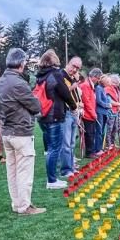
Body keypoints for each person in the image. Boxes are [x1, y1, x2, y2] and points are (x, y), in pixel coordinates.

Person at [0, 48, 44, 212]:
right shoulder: (18, 83)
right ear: (22, 63)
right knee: (24, 171)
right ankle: (24, 206)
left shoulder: (1, 81)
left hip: (7, 132)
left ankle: (17, 204)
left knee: (13, 171)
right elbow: (36, 105)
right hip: (20, 132)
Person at [36, 50, 79, 189]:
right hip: (54, 115)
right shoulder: (55, 74)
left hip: (44, 115)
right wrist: (73, 107)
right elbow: (65, 93)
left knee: (51, 149)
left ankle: (52, 178)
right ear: (54, 61)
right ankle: (52, 180)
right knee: (55, 149)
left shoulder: (40, 76)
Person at [79, 69, 99, 158]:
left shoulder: (90, 85)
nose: (98, 80)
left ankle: (91, 151)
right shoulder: (86, 85)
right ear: (93, 76)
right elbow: (86, 101)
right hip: (87, 114)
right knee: (89, 134)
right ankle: (89, 152)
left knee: (92, 133)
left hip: (91, 113)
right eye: (98, 78)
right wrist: (93, 113)